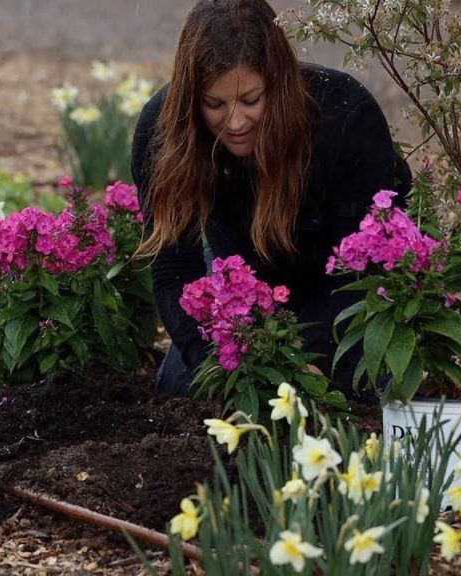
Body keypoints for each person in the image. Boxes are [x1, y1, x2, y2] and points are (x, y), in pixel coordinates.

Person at [131, 0, 411, 399]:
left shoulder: (344, 115)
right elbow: (174, 268)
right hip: (241, 293)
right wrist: (214, 360)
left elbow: (369, 269)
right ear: (192, 97)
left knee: (359, 390)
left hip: (338, 292)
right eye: (214, 104)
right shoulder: (164, 130)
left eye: (250, 101)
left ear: (277, 83)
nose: (235, 122)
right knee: (183, 387)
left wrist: (314, 359)